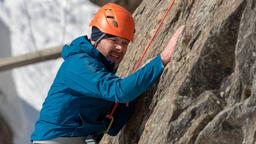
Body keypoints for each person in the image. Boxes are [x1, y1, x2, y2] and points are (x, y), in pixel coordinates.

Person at [31, 3, 184, 144]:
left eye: (124, 43)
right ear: (96, 38)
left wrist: (143, 77)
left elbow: (113, 125)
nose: (120, 48)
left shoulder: (100, 66)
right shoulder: (79, 64)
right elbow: (121, 91)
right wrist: (161, 60)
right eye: (113, 40)